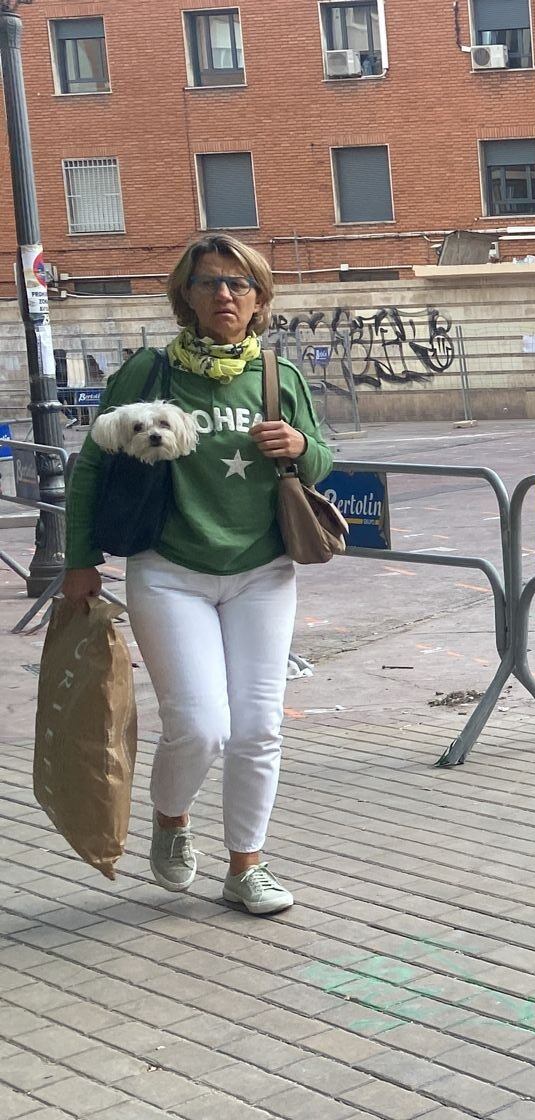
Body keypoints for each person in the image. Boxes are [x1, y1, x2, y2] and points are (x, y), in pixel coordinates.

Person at [62, 235, 332, 916]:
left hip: (262, 570)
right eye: (209, 282)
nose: (224, 296)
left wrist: (302, 446)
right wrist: (78, 562)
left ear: (260, 298)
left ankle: (247, 866)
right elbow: (93, 465)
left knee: (258, 726)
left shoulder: (277, 376)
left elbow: (322, 459)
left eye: (239, 285)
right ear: (185, 293)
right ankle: (172, 820)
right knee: (200, 725)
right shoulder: (147, 374)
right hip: (169, 568)